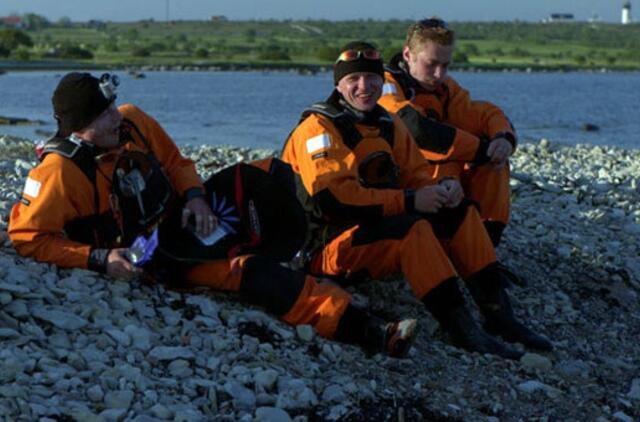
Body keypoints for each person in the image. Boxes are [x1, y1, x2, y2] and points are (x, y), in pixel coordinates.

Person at [8, 72, 418, 358]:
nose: (116, 116)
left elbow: (176, 162)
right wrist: (98, 259)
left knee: (268, 178)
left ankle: (323, 248)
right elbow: (29, 238)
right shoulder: (59, 174)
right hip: (156, 257)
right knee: (248, 270)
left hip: (185, 217)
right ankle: (367, 330)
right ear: (79, 129)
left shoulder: (132, 121)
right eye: (104, 116)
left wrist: (195, 198)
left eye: (113, 107)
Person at [282, 42, 552, 359]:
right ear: (338, 84)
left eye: (371, 79)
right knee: (413, 230)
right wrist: (410, 201)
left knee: (459, 212)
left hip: (371, 231)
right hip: (325, 248)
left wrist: (442, 189)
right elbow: (334, 200)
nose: (364, 87)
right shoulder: (319, 130)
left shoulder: (387, 124)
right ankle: (465, 331)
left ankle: (499, 315)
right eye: (353, 80)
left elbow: (416, 174)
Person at [378, 18, 515, 248]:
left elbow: (482, 113)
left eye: (446, 65)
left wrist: (503, 138)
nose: (439, 74)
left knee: (495, 164)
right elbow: (417, 130)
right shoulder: (383, 85)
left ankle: (485, 244)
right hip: (397, 176)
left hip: (438, 172)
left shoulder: (446, 89)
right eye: (431, 64)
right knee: (465, 161)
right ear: (408, 55)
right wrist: (481, 151)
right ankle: (444, 240)